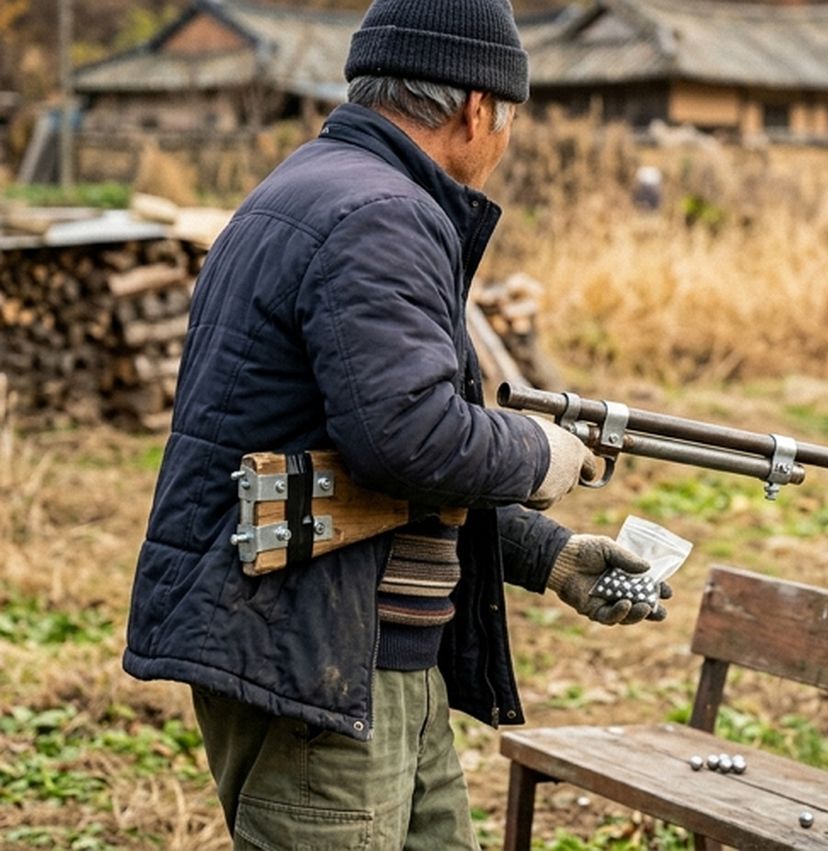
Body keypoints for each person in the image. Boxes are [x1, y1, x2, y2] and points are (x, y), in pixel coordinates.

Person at [121, 1, 669, 846]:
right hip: (323, 665)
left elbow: (360, 462)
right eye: (511, 117)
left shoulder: (315, 188)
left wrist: (546, 554)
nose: (506, 137)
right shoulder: (382, 212)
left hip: (352, 655)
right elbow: (406, 435)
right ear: (477, 107)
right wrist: (539, 451)